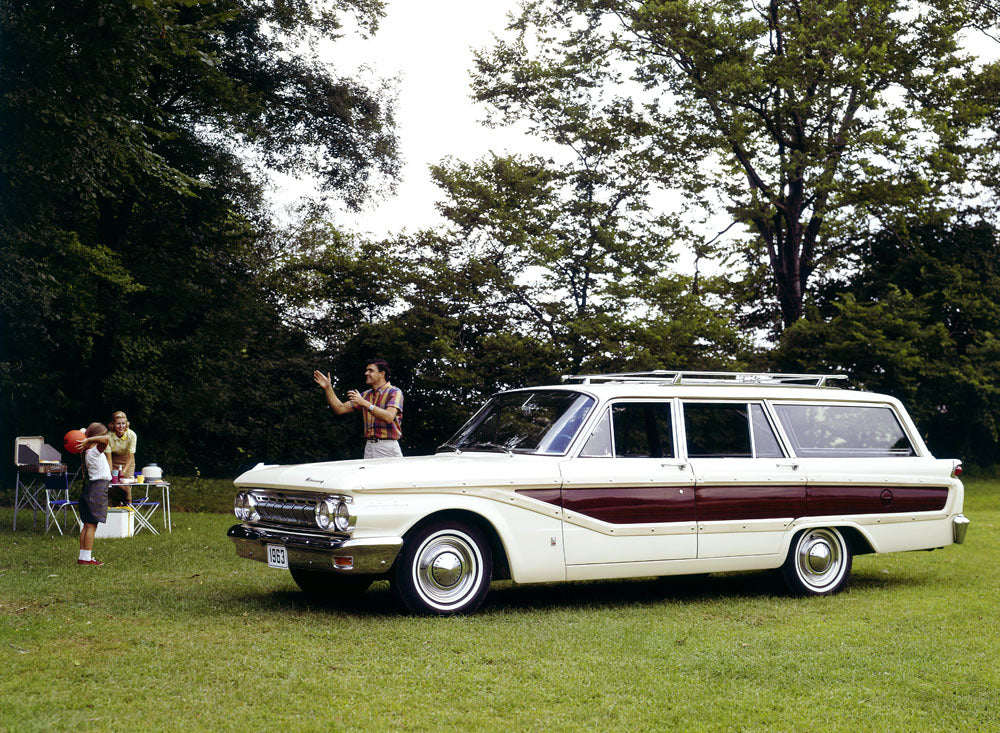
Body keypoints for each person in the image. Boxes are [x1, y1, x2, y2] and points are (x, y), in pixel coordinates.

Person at [313, 358, 404, 458]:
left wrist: (364, 403)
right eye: (366, 370)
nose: (366, 373)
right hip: (369, 446)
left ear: (382, 374)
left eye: (371, 370)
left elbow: (389, 417)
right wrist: (328, 388)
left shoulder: (394, 392)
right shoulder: (365, 395)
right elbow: (340, 408)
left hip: (388, 446)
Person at [76, 422, 112, 566]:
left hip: (91, 488)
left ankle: (83, 557)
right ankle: (86, 558)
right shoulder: (95, 451)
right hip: (98, 488)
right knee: (91, 526)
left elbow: (103, 438)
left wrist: (88, 438)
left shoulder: (88, 451)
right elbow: (107, 439)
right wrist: (90, 439)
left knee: (87, 525)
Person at [105, 410, 137, 505]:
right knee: (114, 484)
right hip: (114, 460)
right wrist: (110, 472)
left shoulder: (132, 435)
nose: (121, 426)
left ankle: (128, 505)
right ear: (113, 425)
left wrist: (124, 471)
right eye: (118, 423)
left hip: (127, 460)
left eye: (123, 423)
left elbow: (131, 457)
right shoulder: (108, 436)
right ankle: (116, 506)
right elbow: (109, 458)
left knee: (126, 484)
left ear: (126, 424)